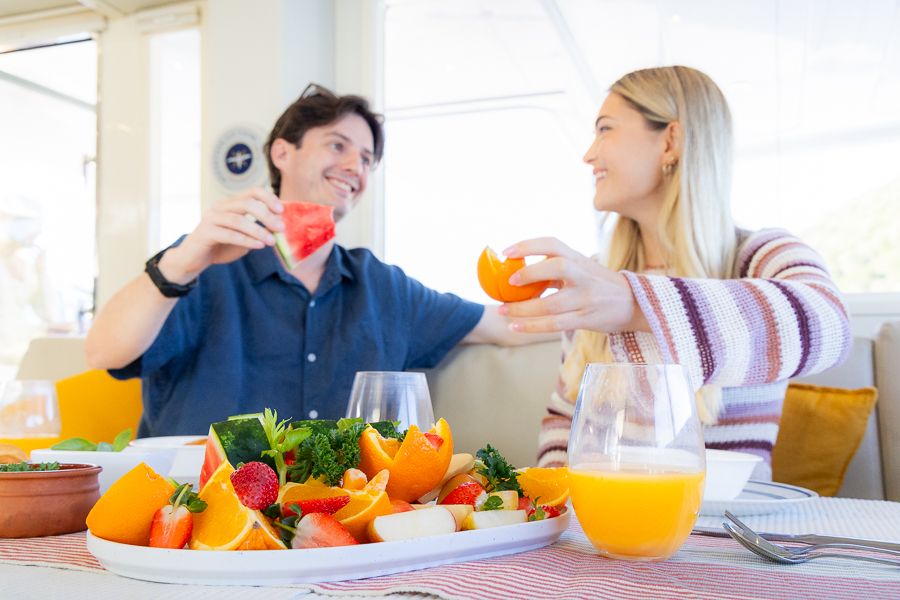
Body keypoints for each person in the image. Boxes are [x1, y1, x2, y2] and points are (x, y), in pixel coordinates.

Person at [86, 83, 532, 437]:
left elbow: (501, 325)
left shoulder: (383, 287)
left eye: (367, 159)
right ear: (282, 153)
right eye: (338, 146)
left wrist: (576, 293)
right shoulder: (202, 261)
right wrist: (181, 265)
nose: (355, 166)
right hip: (204, 510)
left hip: (341, 515)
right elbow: (103, 351)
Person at [498, 66, 851, 479]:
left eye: (606, 129)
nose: (589, 155)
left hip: (729, 517)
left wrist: (634, 303)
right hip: (612, 511)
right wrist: (561, 500)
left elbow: (831, 326)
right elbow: (564, 419)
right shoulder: (597, 279)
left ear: (670, 142)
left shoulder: (759, 254)